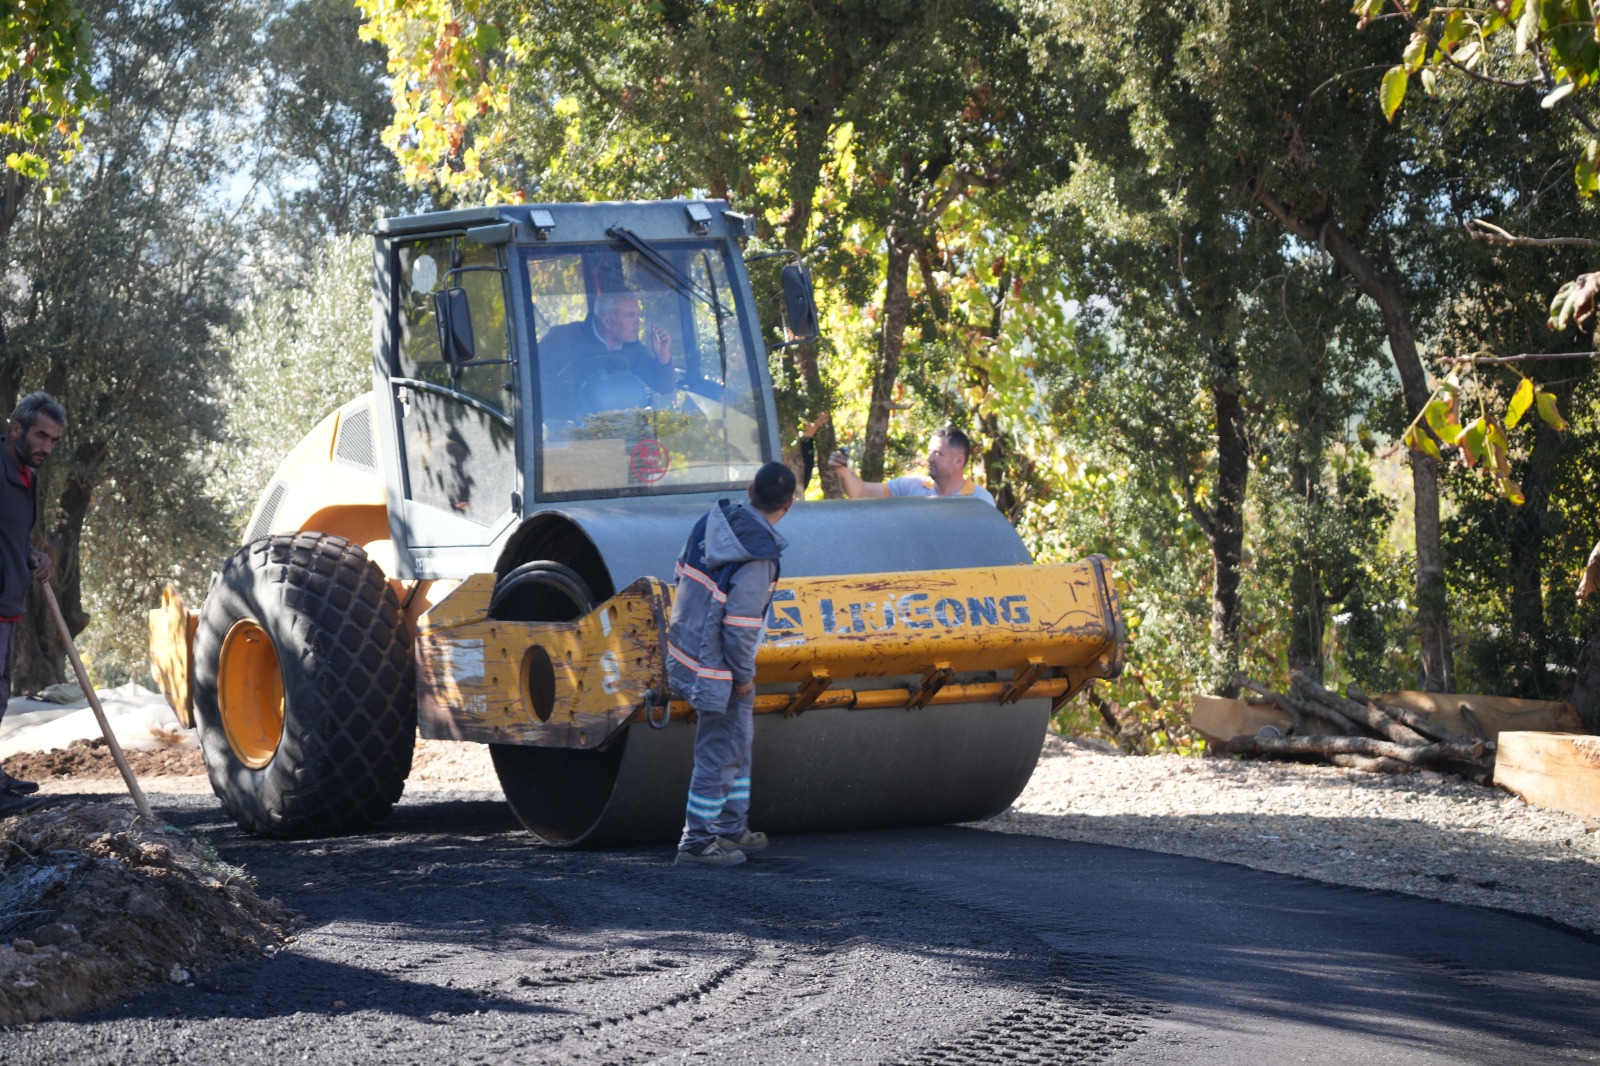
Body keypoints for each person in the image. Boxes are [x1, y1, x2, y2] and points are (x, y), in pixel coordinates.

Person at [669, 460, 796, 867]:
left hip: (690, 651)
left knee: (736, 744)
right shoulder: (760, 555)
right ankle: (697, 843)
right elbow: (740, 627)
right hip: (721, 668)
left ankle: (730, 828)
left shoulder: (710, 522)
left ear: (748, 490)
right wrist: (743, 676)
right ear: (789, 505)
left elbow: (680, 574)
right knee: (720, 751)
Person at [0, 392, 66, 815]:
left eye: (54, 440)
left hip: (8, 604)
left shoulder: (27, 477)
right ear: (16, 428)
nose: (46, 447)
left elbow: (12, 535)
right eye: (40, 435)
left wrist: (32, 555)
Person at [538, 291, 677, 418]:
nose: (638, 322)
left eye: (638, 314)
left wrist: (663, 356)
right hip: (571, 435)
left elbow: (664, 387)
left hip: (624, 432)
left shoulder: (634, 350)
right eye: (630, 315)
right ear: (607, 321)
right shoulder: (561, 340)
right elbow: (535, 388)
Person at [827, 425, 996, 506]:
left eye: (937, 453)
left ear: (959, 460)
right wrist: (843, 472)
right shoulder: (912, 487)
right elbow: (862, 492)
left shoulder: (980, 501)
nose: (930, 458)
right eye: (929, 452)